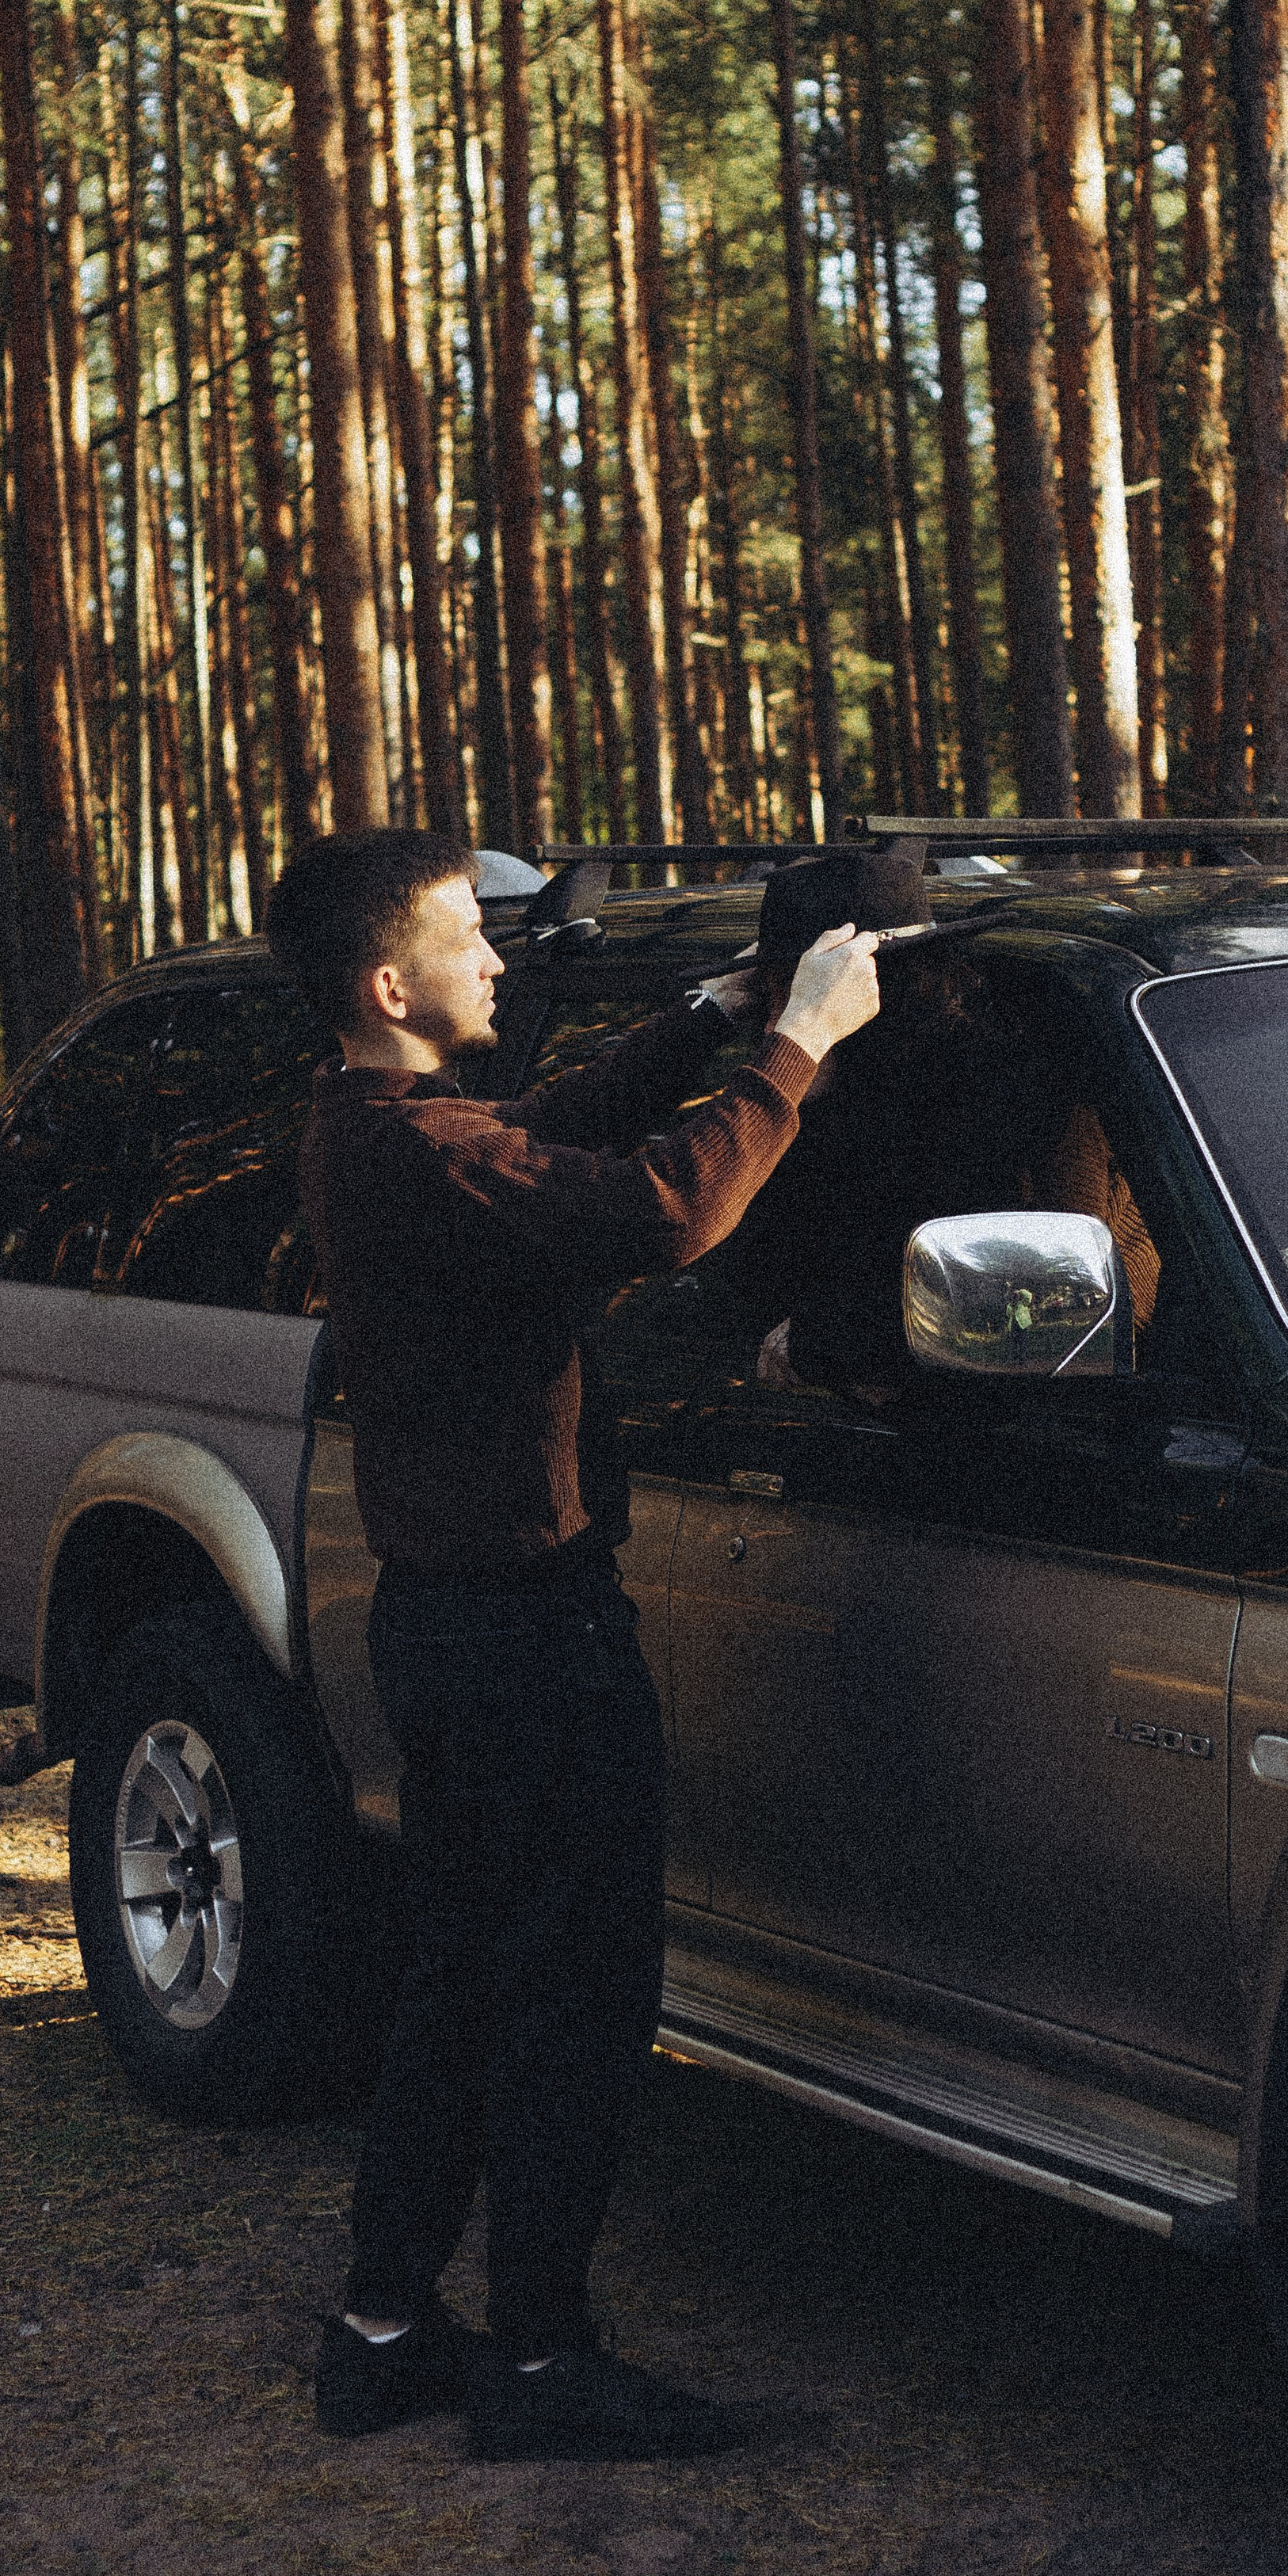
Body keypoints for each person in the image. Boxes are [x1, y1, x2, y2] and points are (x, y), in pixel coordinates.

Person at [263, 828, 880, 2462]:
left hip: (452, 1626)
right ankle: (539, 2363)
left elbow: (538, 1132)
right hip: (529, 1638)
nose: (495, 960)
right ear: (390, 985)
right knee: (575, 1994)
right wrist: (796, 1050)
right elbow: (661, 1209)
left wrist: (709, 1016)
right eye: (469, 938)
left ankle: (383, 2327)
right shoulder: (417, 1154)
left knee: (460, 1979)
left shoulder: (380, 1126)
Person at [721, 843, 1160, 1405]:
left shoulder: (1010, 1106)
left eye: (787, 996)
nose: (770, 1030)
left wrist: (823, 1341)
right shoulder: (815, 1112)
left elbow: (1042, 1306)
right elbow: (742, 1285)